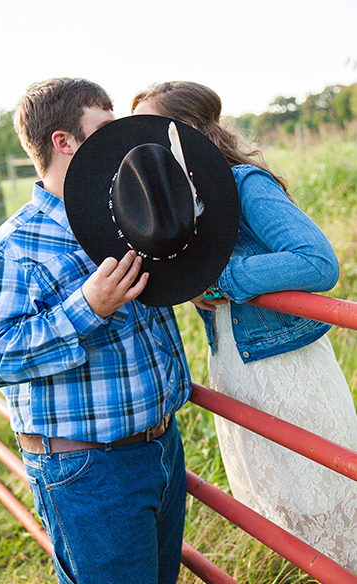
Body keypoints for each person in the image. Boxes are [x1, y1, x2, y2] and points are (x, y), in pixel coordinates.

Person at [0, 78, 193, 584]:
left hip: (163, 447)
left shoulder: (128, 214)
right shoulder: (15, 246)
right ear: (63, 141)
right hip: (90, 470)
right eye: (105, 129)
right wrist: (87, 308)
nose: (120, 142)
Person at [132, 81, 357, 569]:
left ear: (186, 132)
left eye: (152, 128)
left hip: (285, 371)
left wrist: (223, 277)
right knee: (287, 517)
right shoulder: (181, 200)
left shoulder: (244, 184)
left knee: (330, 507)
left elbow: (318, 262)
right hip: (235, 368)